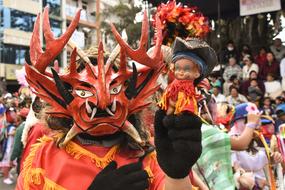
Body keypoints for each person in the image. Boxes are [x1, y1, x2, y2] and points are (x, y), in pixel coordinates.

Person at [16, 8, 203, 190]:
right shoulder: (42, 158)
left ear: (133, 94)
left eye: (115, 89)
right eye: (84, 92)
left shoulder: (153, 157)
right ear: (61, 97)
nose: (102, 103)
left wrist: (177, 177)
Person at [158, 37, 217, 116]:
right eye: (178, 68)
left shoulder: (200, 88)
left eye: (186, 69)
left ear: (197, 73)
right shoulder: (165, 80)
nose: (181, 72)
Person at [0, 108, 17, 185]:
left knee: (10, 163)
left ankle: (6, 174)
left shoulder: (9, 126)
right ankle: (5, 177)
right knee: (6, 163)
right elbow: (9, 141)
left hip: (9, 148)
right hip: (7, 148)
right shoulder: (10, 127)